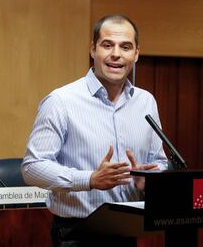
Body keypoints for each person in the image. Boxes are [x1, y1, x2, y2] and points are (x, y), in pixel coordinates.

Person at [22, 14, 168, 246]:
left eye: (126, 47)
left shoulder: (146, 101)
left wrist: (151, 180)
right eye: (107, 45)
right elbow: (32, 168)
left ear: (136, 54)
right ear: (93, 50)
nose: (116, 54)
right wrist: (89, 179)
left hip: (128, 231)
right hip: (77, 234)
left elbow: (160, 161)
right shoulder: (61, 100)